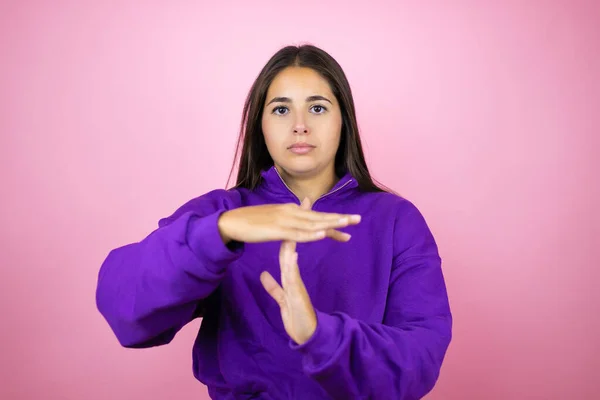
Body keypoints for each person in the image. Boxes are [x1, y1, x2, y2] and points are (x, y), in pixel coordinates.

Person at [95, 44, 452, 400]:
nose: (299, 126)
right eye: (281, 109)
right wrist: (221, 232)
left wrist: (318, 334)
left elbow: (420, 357)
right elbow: (125, 309)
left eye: (317, 108)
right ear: (260, 125)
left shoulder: (396, 220)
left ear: (343, 119)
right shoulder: (223, 213)